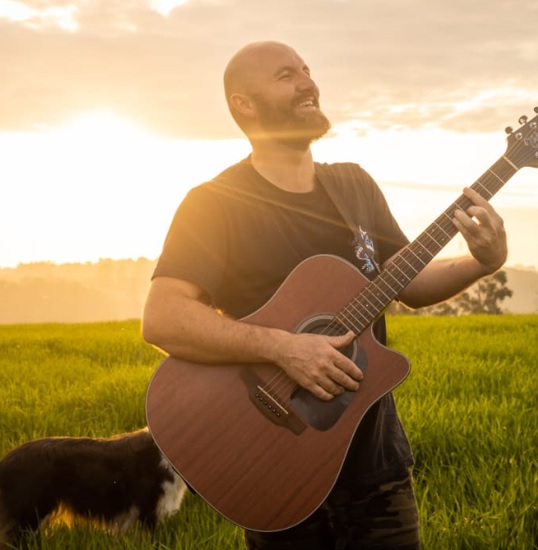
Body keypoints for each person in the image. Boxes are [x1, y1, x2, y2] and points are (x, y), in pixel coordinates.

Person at [142, 40, 507, 550]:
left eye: (308, 71)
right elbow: (162, 318)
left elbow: (407, 283)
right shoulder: (214, 204)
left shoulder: (353, 185)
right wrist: (283, 348)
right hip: (272, 461)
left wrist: (482, 263)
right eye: (286, 75)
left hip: (375, 468)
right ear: (242, 104)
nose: (308, 83)